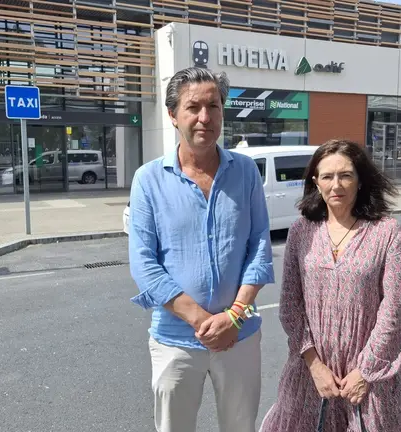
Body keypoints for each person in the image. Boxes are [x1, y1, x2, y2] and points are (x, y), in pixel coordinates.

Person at [128, 66, 275, 432]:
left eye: (214, 105)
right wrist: (203, 321)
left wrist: (234, 317)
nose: (204, 117)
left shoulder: (245, 172)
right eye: (193, 107)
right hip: (175, 341)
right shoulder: (148, 179)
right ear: (173, 115)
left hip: (239, 336)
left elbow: (259, 244)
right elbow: (143, 263)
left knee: (240, 426)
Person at [259, 139, 401, 432]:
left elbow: (396, 310)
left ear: (360, 180)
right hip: (311, 375)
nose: (337, 185)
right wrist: (315, 366)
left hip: (369, 379)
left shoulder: (387, 233)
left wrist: (366, 372)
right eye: (327, 176)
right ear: (315, 182)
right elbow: (291, 306)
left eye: (346, 175)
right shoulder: (301, 232)